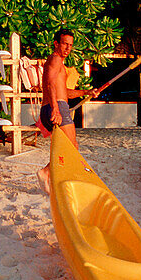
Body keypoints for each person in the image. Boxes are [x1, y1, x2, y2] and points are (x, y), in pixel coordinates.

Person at [37, 29, 100, 193]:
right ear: (56, 43)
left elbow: (65, 92)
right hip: (55, 107)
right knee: (71, 147)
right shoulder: (55, 59)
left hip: (56, 105)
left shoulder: (59, 64)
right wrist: (56, 110)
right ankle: (47, 173)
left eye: (70, 45)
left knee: (68, 147)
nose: (68, 48)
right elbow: (50, 85)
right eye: (64, 43)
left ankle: (54, 176)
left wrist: (86, 93)